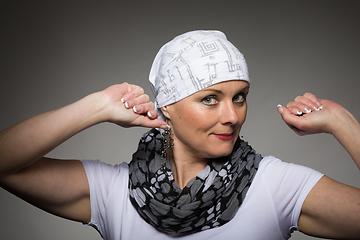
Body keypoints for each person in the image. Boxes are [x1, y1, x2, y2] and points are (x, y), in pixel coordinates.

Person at [0, 30, 359, 240]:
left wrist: (342, 122)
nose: (232, 116)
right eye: (210, 99)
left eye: (239, 98)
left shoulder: (276, 185)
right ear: (166, 107)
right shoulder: (114, 193)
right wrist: (95, 107)